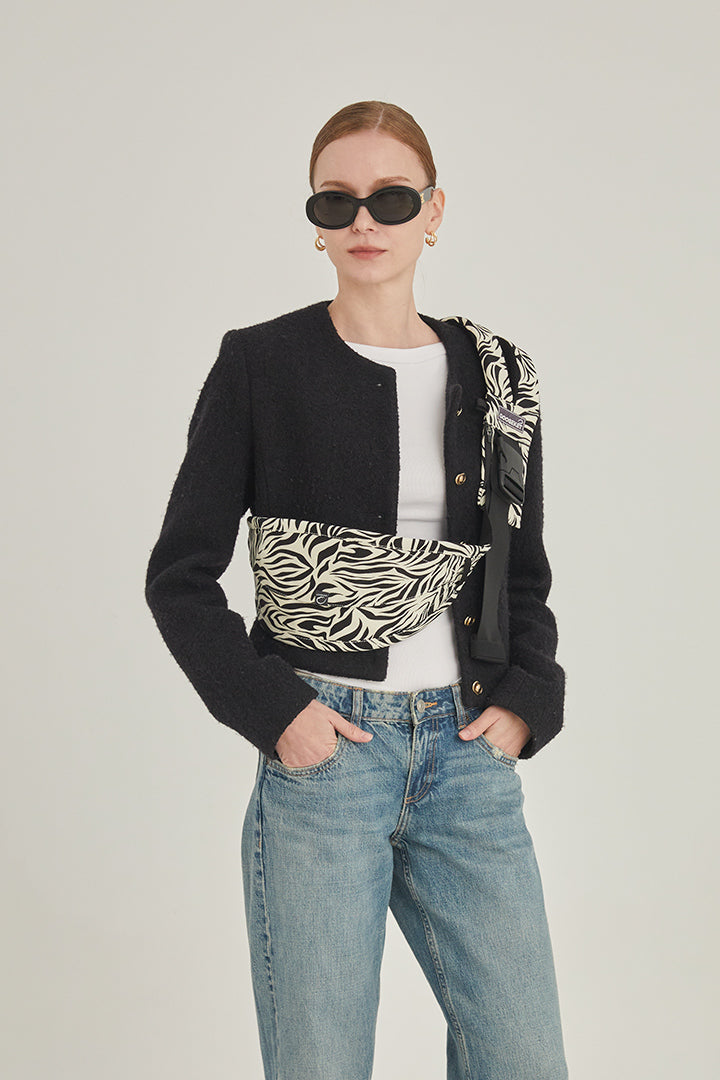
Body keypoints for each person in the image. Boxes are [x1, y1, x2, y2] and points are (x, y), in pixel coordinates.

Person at [145, 100, 568, 1080]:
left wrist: (523, 703)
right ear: (315, 221)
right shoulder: (261, 364)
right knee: (321, 1064)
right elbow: (180, 577)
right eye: (335, 201)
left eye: (391, 198)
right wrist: (276, 713)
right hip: (327, 755)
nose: (364, 220)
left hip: (468, 757)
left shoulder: (500, 375)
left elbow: (522, 573)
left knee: (525, 1059)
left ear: (434, 211)